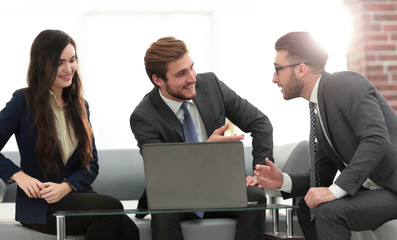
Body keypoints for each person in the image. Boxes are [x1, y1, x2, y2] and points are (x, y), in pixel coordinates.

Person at [254, 31, 397, 240]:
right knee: (306, 209)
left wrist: (335, 191)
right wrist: (282, 181)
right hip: (377, 190)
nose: (274, 79)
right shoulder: (320, 107)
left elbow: (376, 140)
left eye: (278, 69)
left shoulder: (347, 83)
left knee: (330, 212)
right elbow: (322, 174)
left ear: (301, 69)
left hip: (392, 187)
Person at [0, 30, 140, 240]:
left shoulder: (81, 105)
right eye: (59, 62)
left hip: (74, 196)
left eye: (72, 60)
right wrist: (19, 176)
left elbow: (91, 164)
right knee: (111, 208)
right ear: (42, 64)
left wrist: (66, 187)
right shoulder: (23, 101)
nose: (68, 69)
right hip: (41, 205)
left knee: (130, 230)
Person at [130, 36, 273, 240]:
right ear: (158, 80)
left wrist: (261, 173)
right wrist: (205, 152)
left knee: (256, 197)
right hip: (176, 194)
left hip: (221, 188)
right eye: (181, 74)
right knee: (163, 211)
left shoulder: (211, 85)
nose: (192, 77)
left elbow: (261, 123)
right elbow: (162, 173)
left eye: (191, 68)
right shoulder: (144, 116)